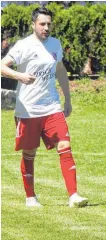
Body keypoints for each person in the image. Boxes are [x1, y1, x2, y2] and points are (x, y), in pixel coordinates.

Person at [0, 7, 88, 208]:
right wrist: (19, 76)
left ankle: (74, 196)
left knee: (65, 145)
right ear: (33, 25)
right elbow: (2, 66)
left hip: (52, 107)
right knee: (29, 153)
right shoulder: (24, 46)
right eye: (42, 24)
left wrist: (68, 99)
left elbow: (60, 71)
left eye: (49, 24)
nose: (46, 28)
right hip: (28, 110)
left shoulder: (55, 44)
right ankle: (30, 197)